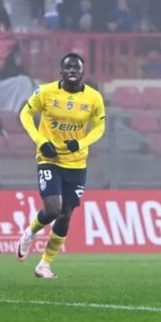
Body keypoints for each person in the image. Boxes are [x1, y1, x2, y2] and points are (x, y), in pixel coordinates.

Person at [15, 54, 106, 279]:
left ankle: (44, 265)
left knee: (66, 214)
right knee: (54, 209)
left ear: (83, 72)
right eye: (69, 67)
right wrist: (40, 140)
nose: (73, 70)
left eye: (77, 67)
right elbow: (25, 114)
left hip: (76, 162)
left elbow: (99, 128)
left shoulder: (94, 98)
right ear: (61, 72)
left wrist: (81, 143)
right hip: (50, 158)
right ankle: (29, 233)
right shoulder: (45, 91)